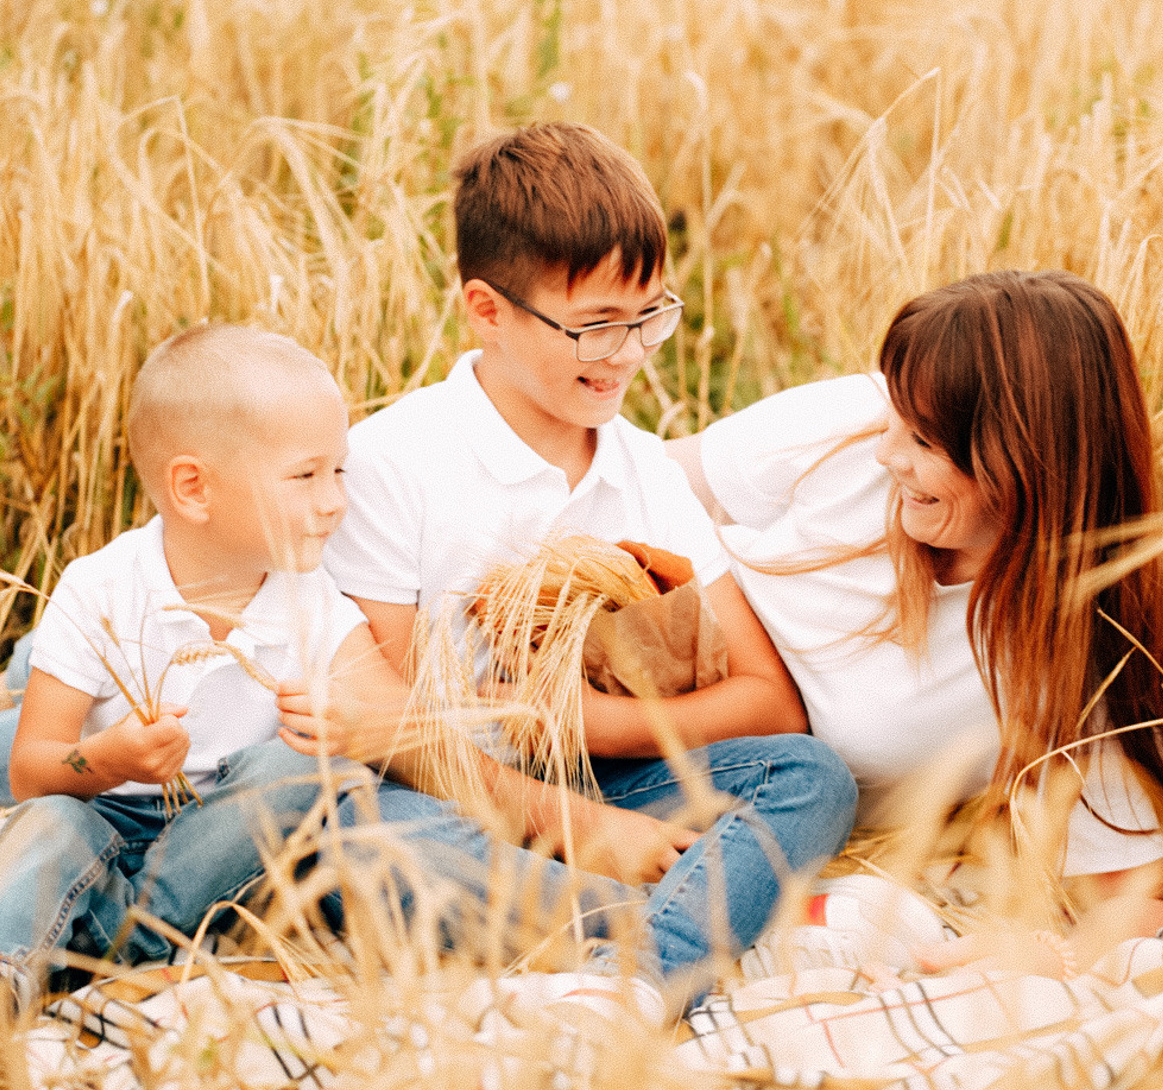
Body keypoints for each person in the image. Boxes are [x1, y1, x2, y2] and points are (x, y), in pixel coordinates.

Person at [309, 122, 856, 1005]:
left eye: (650, 317)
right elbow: (399, 728)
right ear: (486, 309)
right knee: (365, 848)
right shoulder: (391, 462)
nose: (631, 353)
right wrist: (568, 822)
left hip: (603, 781)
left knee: (810, 778)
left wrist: (583, 732)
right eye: (596, 326)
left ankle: (632, 973)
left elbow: (769, 700)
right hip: (436, 794)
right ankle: (681, 924)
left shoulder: (640, 470)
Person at [667, 271, 1163, 970]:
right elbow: (641, 480)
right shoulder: (853, 428)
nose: (887, 454)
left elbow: (1148, 898)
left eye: (921, 440)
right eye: (894, 417)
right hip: (601, 680)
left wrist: (1038, 956)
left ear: (1022, 460)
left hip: (716, 809)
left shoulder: (1058, 663)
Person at [0, 325, 388, 1014]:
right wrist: (108, 757)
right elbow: (32, 771)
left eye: (340, 471)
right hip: (103, 813)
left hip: (217, 840)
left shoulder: (314, 598)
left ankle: (108, 939)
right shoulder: (101, 590)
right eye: (306, 475)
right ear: (193, 489)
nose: (335, 502)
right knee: (52, 826)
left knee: (301, 772)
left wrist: (351, 724)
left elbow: (395, 714)